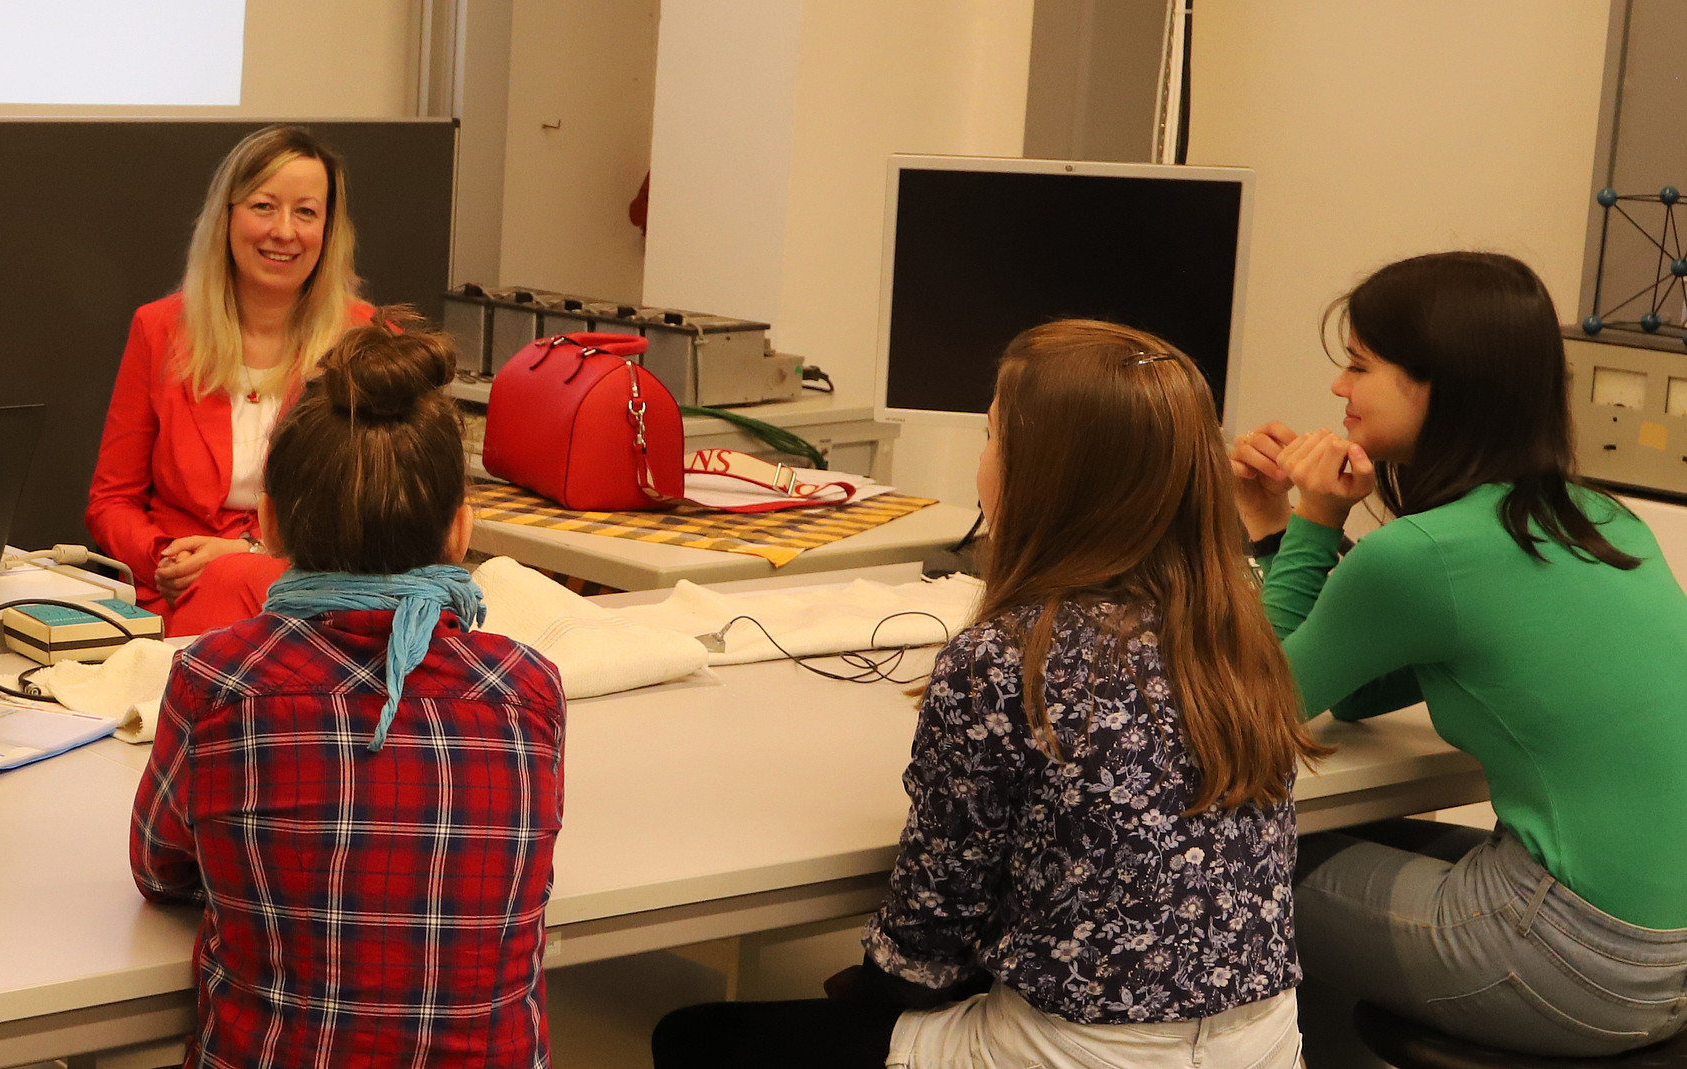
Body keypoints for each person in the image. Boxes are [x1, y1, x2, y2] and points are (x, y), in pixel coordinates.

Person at [653, 320, 1327, 1069]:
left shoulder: (1005, 660)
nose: (983, 461)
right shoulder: (1238, 629)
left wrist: (873, 992)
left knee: (695, 1036)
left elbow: (933, 927)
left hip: (1081, 1053)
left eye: (992, 438)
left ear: (1042, 476)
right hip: (1266, 1044)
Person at [1229, 251, 1687, 1057]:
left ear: (1439, 383)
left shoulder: (1425, 553)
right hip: (1665, 962)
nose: (1338, 387)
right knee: (1332, 841)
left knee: (1217, 861)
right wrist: (1282, 529)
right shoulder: (1604, 520)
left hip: (1579, 964)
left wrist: (1309, 521)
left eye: (1359, 364)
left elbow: (1246, 715)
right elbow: (1360, 688)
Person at [130, 310, 566, 1069]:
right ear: (461, 531)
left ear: (267, 524)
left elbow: (160, 869)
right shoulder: (526, 690)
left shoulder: (219, 681)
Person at [87, 123, 374, 635]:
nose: (283, 231)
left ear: (329, 231)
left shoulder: (366, 339)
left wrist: (247, 553)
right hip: (175, 588)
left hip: (311, 587)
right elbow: (112, 502)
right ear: (227, 216)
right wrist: (166, 559)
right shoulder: (159, 328)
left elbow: (376, 508)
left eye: (306, 212)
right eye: (264, 206)